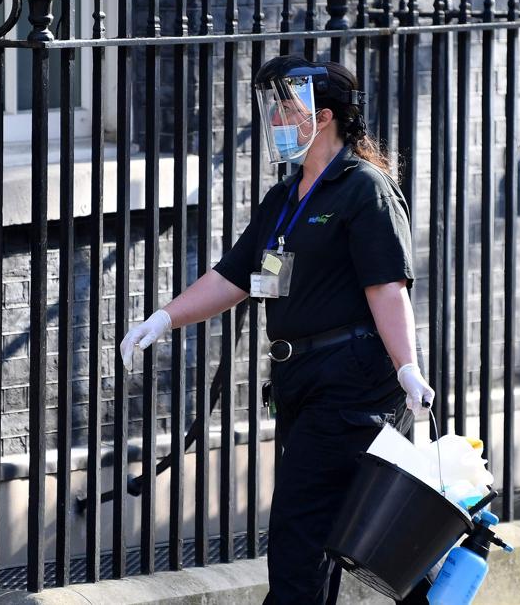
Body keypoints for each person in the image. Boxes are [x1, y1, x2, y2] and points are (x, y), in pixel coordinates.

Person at [119, 56, 435, 605]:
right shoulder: (286, 198)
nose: (275, 120)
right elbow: (236, 275)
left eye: (287, 108)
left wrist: (407, 365)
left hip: (350, 383)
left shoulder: (364, 189)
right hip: (300, 379)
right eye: (274, 108)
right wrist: (164, 317)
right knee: (360, 535)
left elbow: (387, 288)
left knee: (298, 535)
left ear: (326, 116)